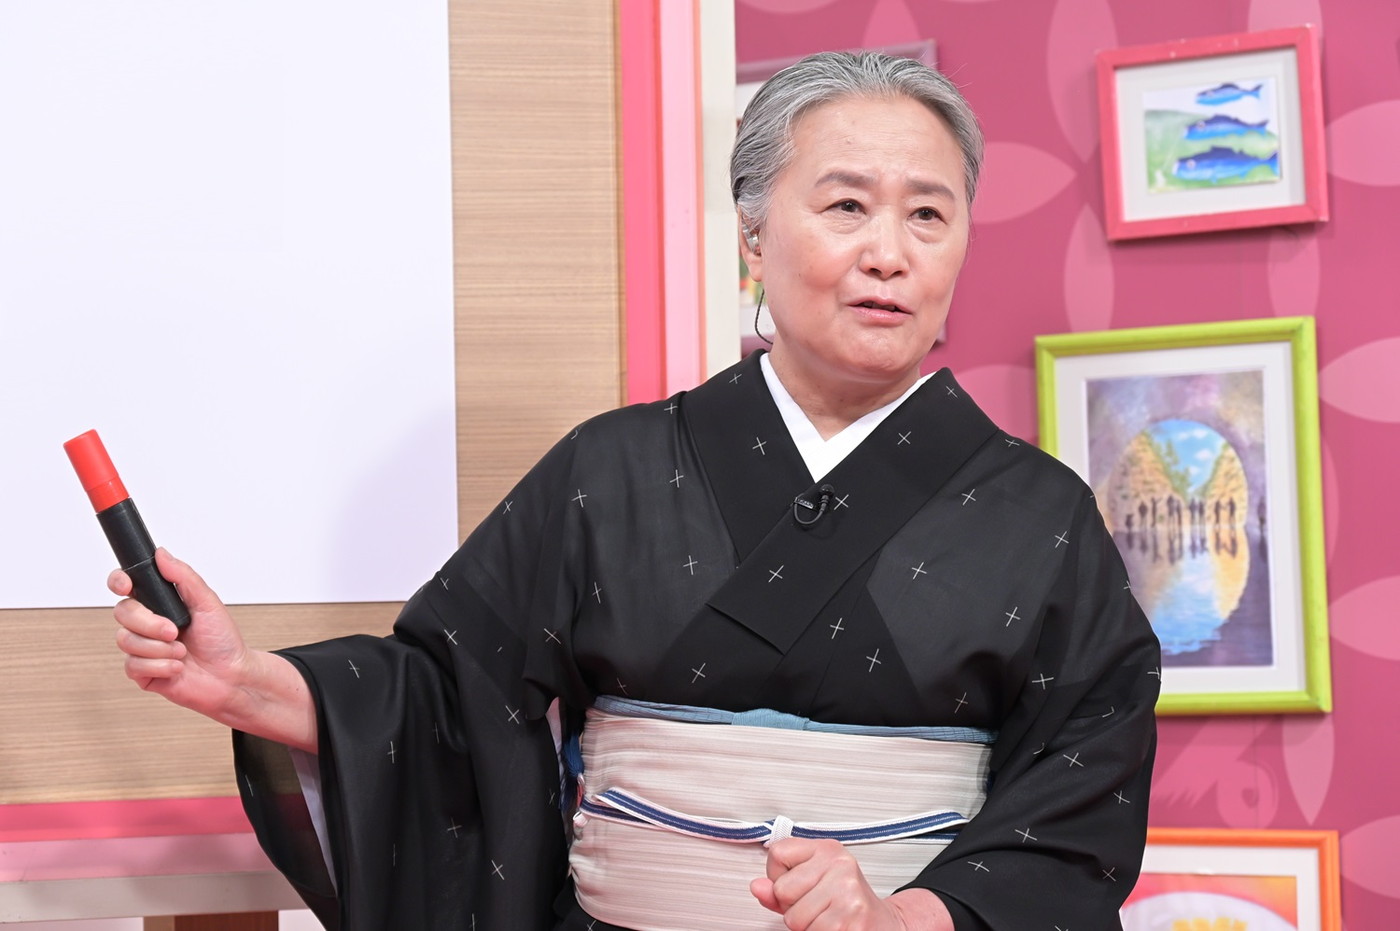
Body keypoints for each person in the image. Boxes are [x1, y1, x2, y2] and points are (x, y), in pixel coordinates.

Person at [111, 52, 1159, 930]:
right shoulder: (608, 469)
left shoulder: (1042, 515)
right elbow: (446, 693)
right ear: (752, 235)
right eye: (845, 205)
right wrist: (242, 683)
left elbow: (1078, 791)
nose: (888, 253)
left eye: (928, 214)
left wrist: (907, 915)